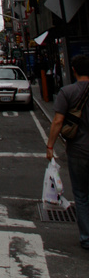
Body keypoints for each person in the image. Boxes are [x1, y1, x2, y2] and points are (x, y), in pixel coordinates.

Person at [46, 54, 89, 251]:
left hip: (79, 150)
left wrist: (50, 146)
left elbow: (57, 121)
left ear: (73, 70)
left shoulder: (67, 92)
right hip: (79, 150)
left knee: (81, 194)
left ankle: (86, 237)